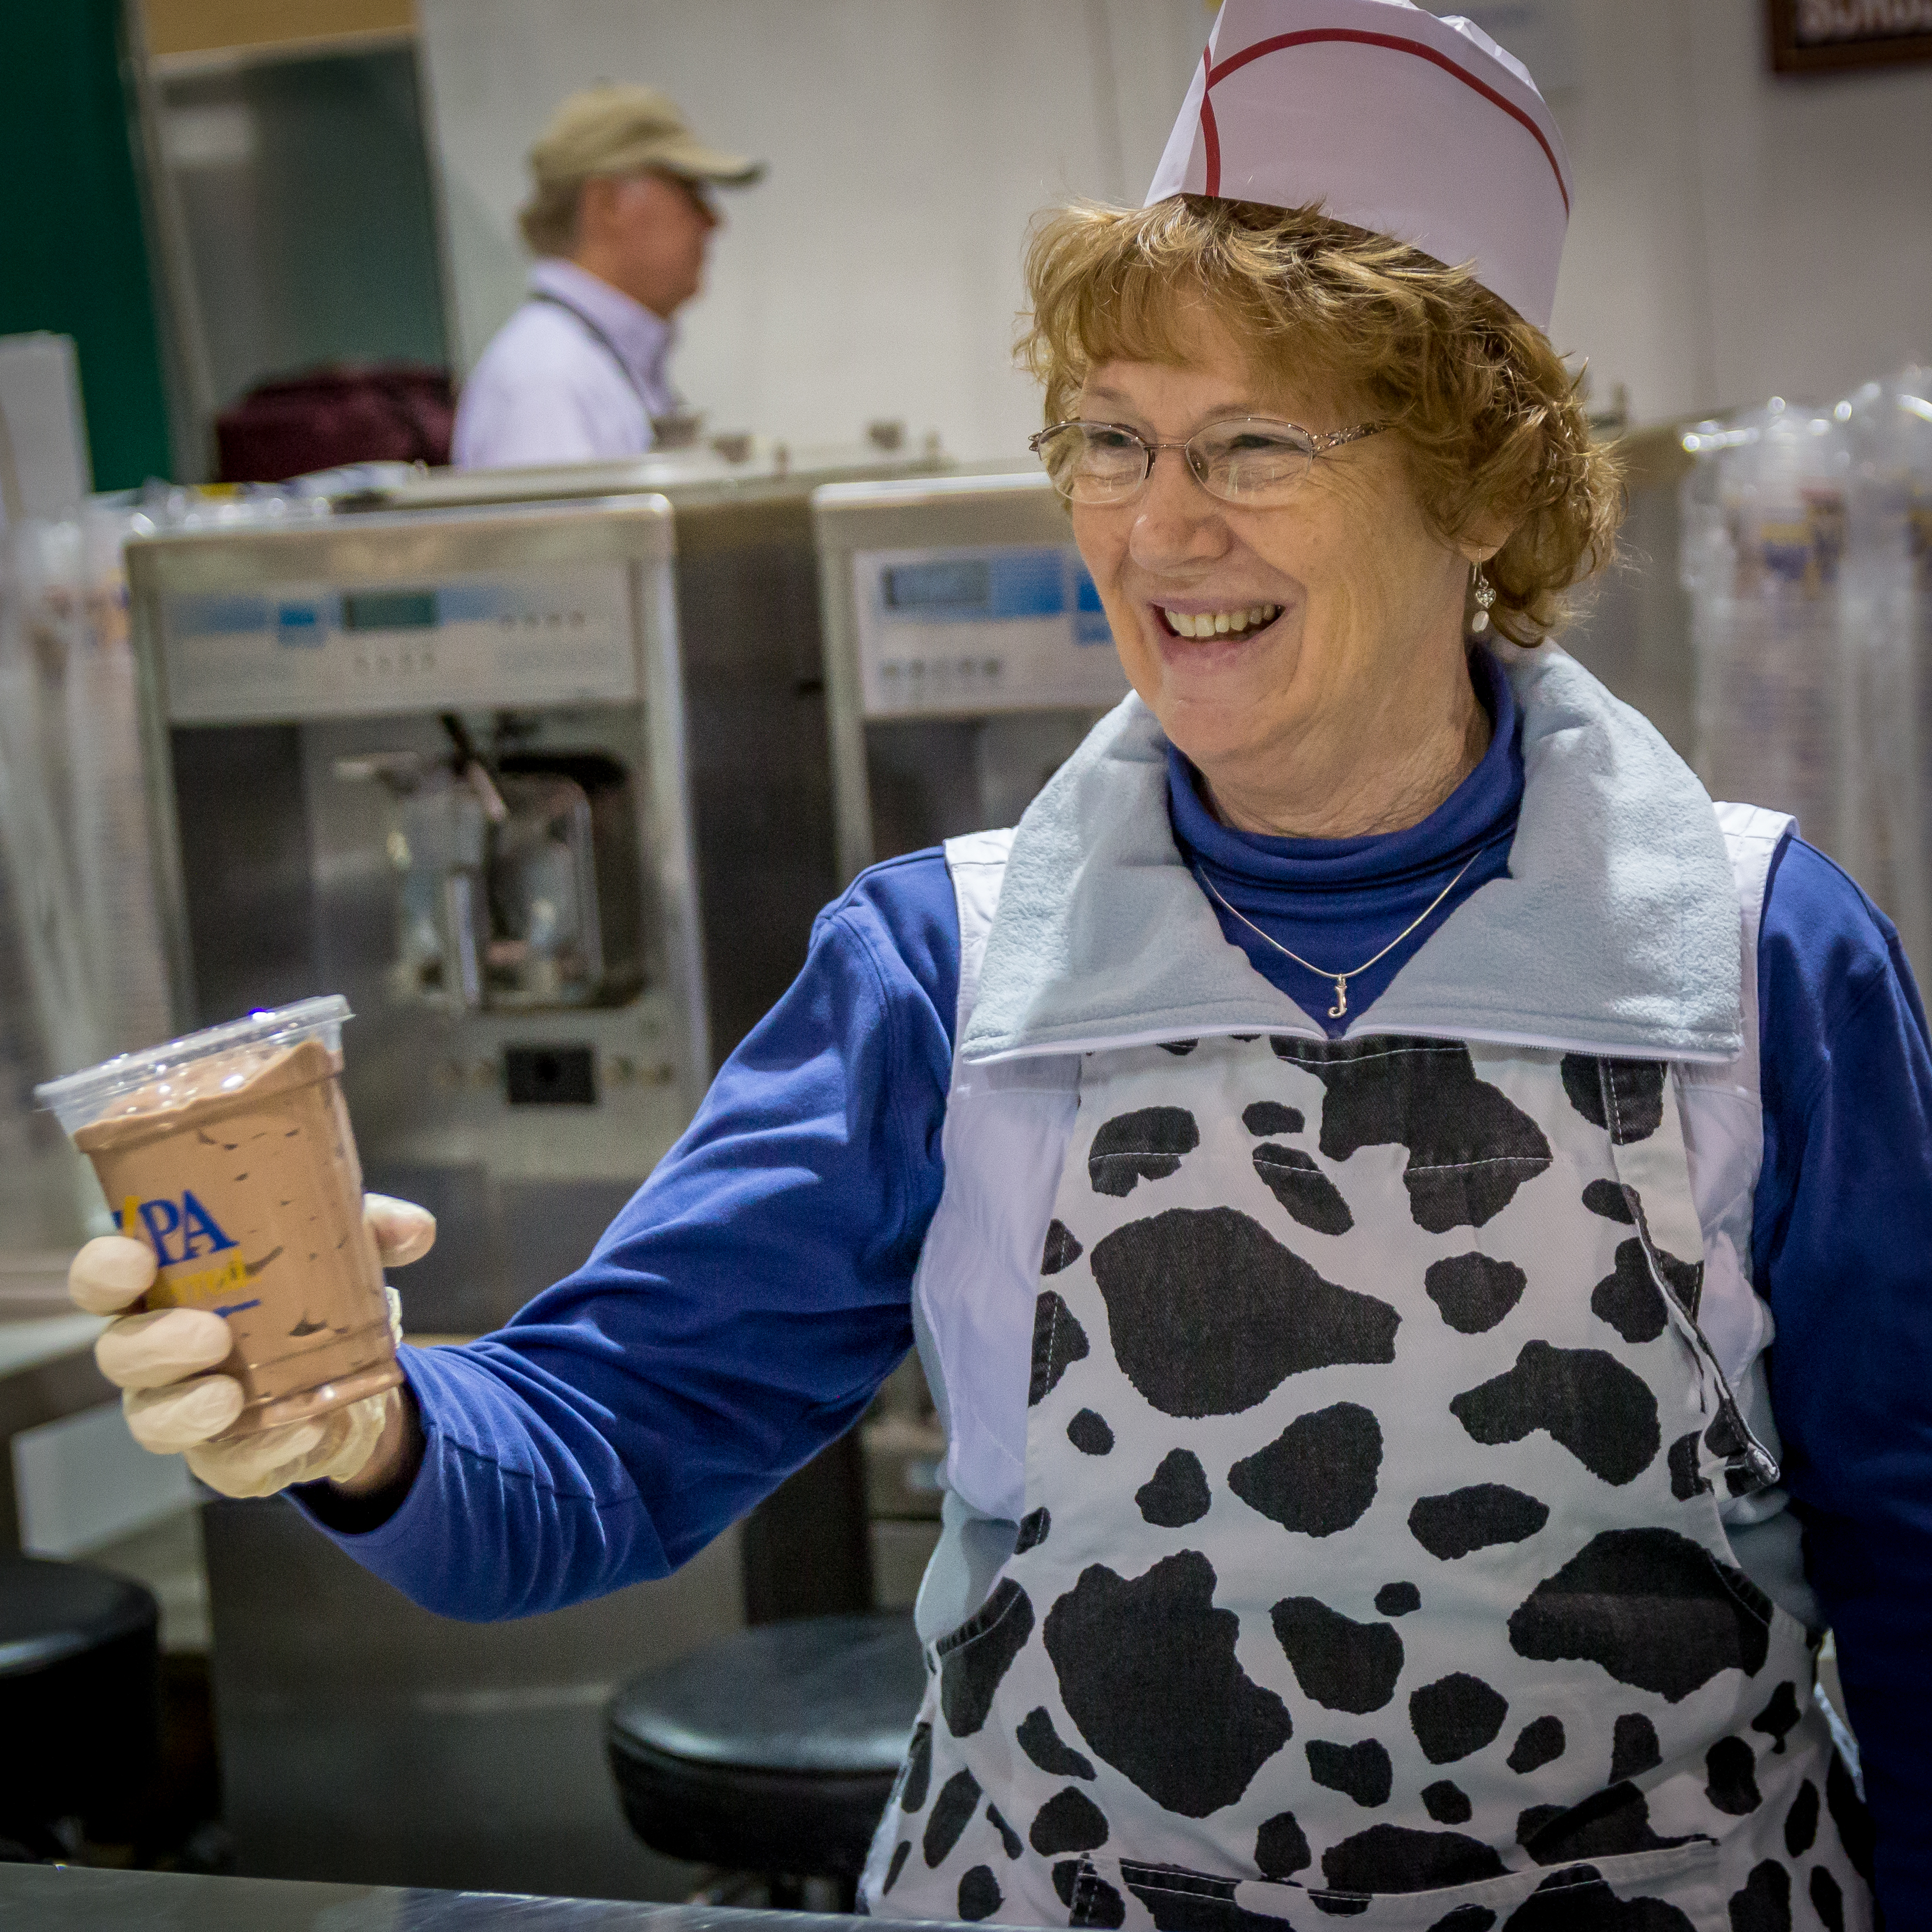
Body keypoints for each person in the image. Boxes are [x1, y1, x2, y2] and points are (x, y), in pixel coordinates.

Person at [70, 1, 1926, 1923]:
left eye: (1251, 442)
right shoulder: (942, 965)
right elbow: (599, 1446)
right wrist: (359, 1419)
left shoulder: (1751, 955)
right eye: (1107, 439)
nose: (1156, 525)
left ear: (1479, 488)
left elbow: (1915, 1547)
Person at [449, 84, 763, 469]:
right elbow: (562, 532)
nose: (714, 221)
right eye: (691, 191)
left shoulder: (589, 362)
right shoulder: (548, 383)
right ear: (607, 204)